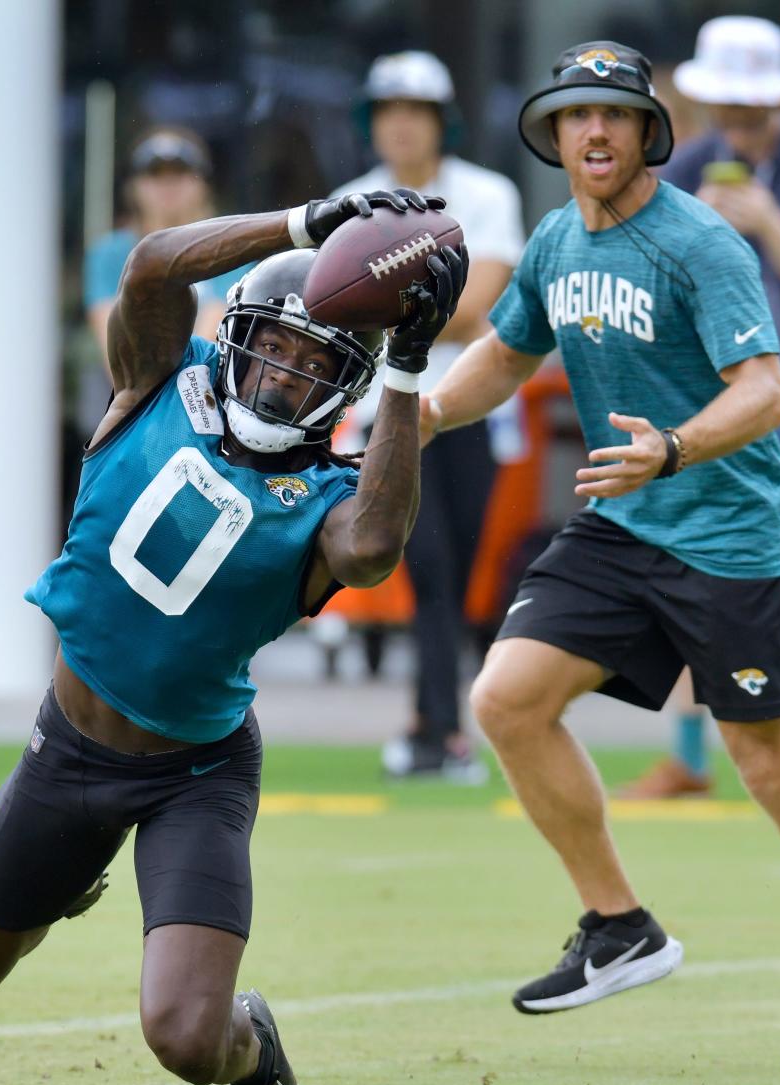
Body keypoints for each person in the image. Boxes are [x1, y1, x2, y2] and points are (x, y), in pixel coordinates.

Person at [0, 189, 467, 1085]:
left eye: (315, 365)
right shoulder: (153, 383)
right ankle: (68, 877)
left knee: (187, 1039)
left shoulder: (332, 494)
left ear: (344, 389)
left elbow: (376, 548)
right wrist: (310, 223)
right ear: (236, 334)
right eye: (275, 345)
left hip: (196, 772)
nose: (285, 375)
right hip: (66, 750)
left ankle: (253, 1044)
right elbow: (150, 264)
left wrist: (411, 366)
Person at [419, 39, 780, 1069]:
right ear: (554, 133)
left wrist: (670, 446)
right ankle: (620, 926)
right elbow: (505, 349)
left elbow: (766, 391)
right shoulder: (554, 242)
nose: (593, 132)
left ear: (647, 133)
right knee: (506, 700)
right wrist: (425, 413)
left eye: (614, 116)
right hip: (623, 524)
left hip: (731, 538)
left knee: (772, 767)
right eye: (575, 116)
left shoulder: (699, 243)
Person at [619, 16, 780, 799]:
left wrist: (768, 224)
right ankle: (689, 756)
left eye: (745, 104)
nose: (733, 118)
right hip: (698, 400)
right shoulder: (690, 166)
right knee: (687, 561)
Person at [329, 51, 527, 783]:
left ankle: (439, 724)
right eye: (388, 111)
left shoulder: (487, 194)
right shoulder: (349, 202)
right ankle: (439, 730)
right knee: (430, 567)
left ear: (442, 122)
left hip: (469, 408)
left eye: (416, 111)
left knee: (460, 571)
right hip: (387, 414)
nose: (402, 126)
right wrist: (420, 306)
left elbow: (483, 309)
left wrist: (386, 304)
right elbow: (337, 312)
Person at [84, 126, 251, 372]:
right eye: (155, 174)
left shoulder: (232, 249)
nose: (168, 185)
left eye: (180, 173)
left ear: (203, 184)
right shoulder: (109, 254)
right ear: (133, 186)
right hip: (131, 400)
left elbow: (205, 351)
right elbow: (116, 355)